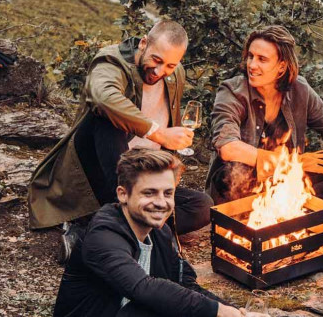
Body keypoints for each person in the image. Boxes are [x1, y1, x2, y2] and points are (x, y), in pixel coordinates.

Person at [28, 20, 213, 260]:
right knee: (107, 119)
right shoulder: (112, 60)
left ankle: (94, 233)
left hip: (145, 173)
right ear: (144, 43)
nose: (159, 72)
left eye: (169, 65)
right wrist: (157, 133)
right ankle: (143, 232)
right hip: (102, 166)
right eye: (156, 60)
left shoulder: (175, 74)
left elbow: (169, 124)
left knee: (203, 206)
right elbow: (104, 97)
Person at [53, 149, 250, 317]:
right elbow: (143, 288)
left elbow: (185, 284)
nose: (161, 202)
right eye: (149, 193)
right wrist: (218, 312)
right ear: (123, 194)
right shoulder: (103, 236)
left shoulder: (161, 233)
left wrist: (236, 312)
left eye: (168, 193)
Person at [206, 25, 323, 215]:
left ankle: (286, 210)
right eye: (251, 56)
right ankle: (299, 212)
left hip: (285, 181)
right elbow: (228, 148)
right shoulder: (232, 91)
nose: (252, 65)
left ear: (282, 66)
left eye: (262, 59)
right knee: (230, 173)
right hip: (242, 184)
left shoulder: (300, 89)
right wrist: (295, 162)